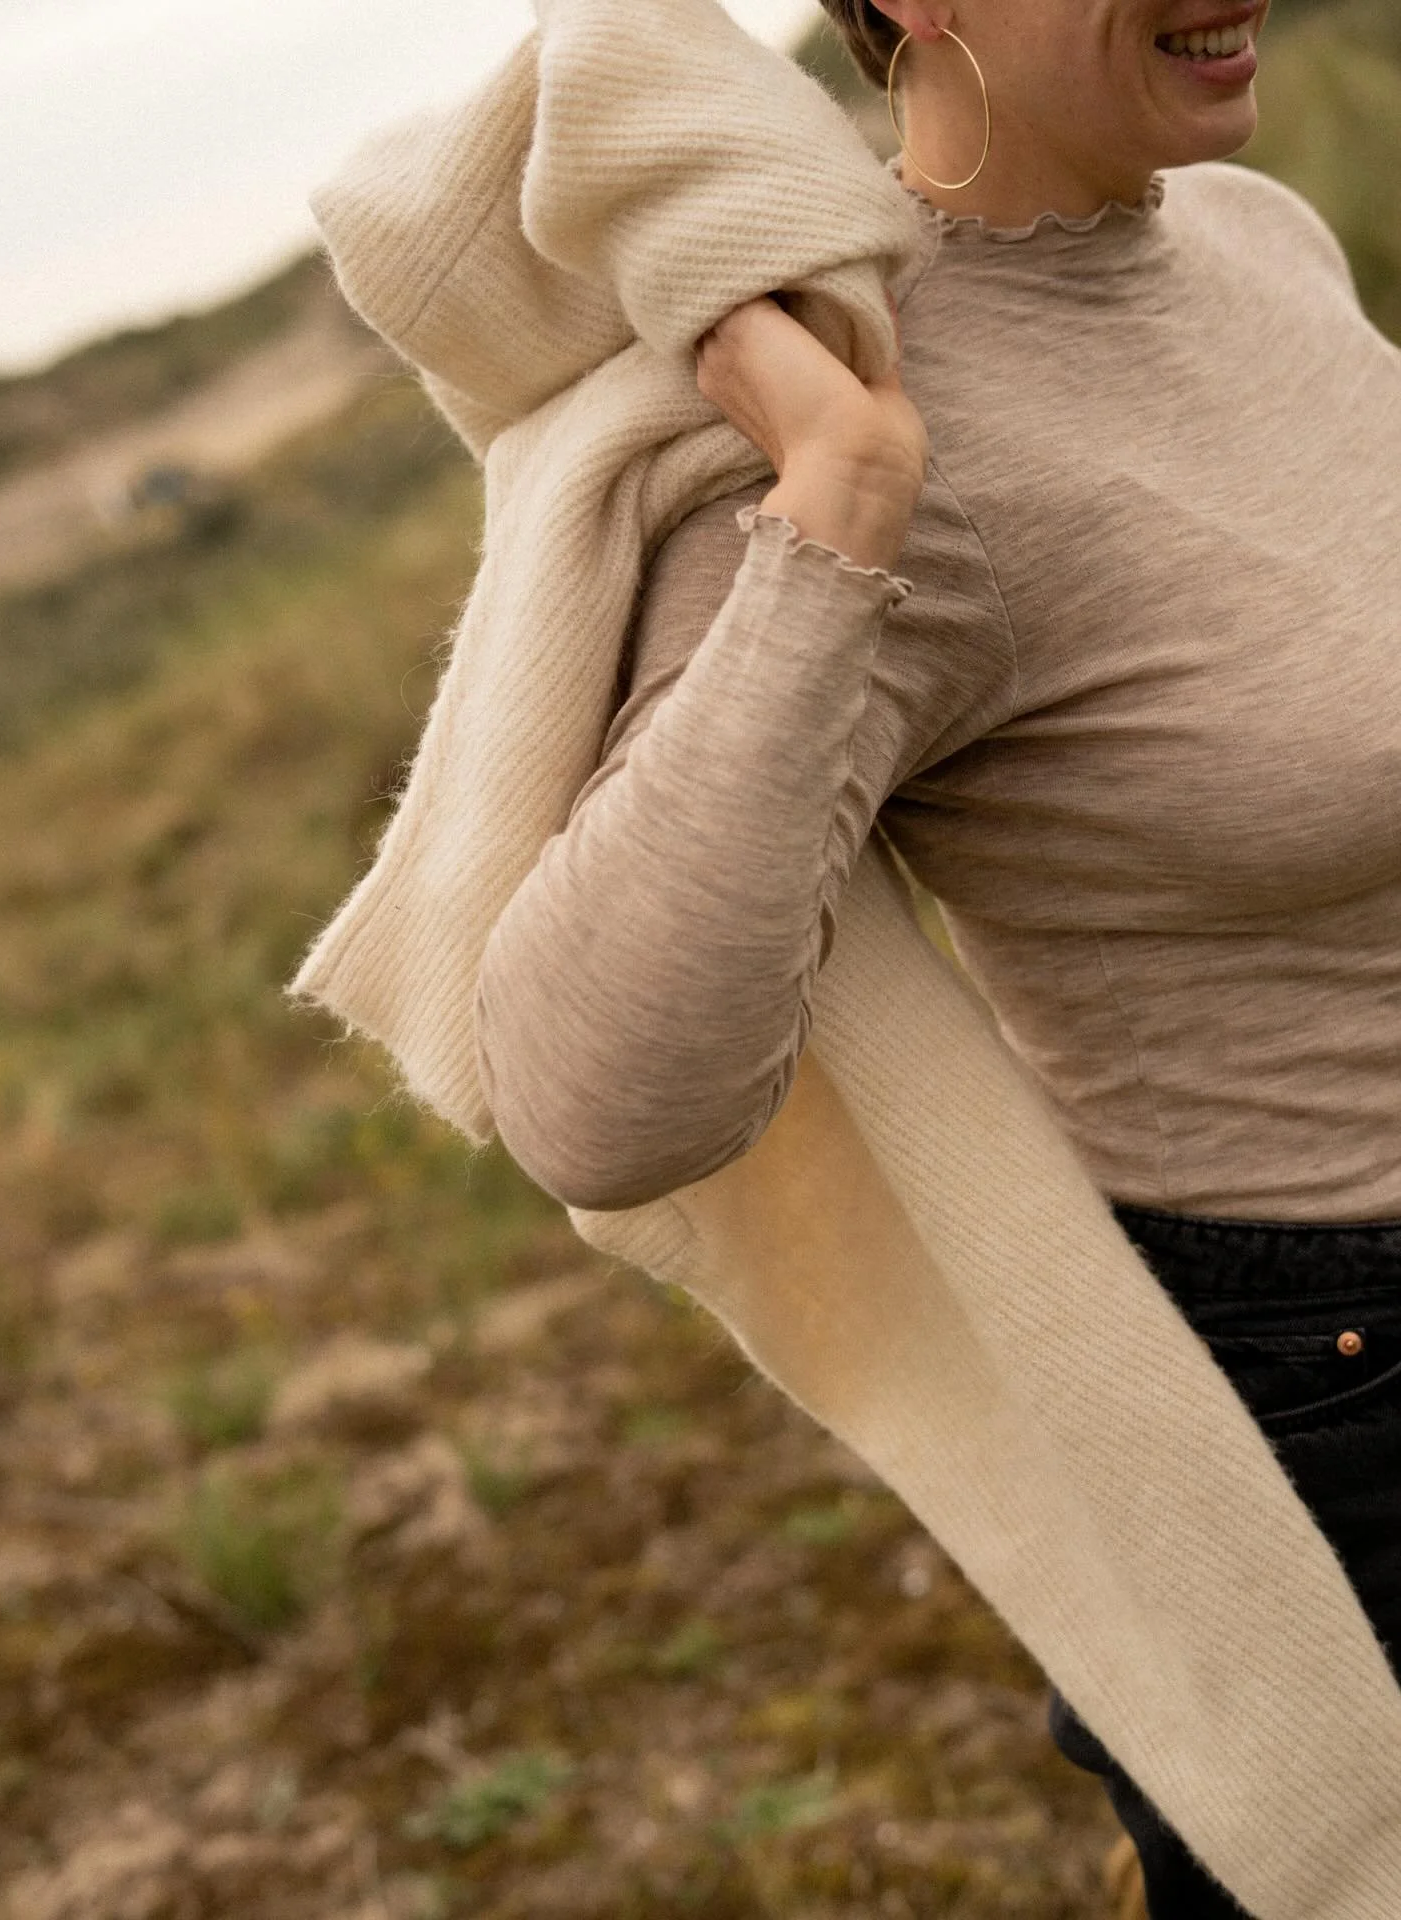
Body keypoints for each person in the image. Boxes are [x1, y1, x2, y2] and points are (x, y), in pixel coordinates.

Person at [470, 1, 1401, 1912]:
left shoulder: (1253, 232)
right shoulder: (864, 426)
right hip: (1344, 1374)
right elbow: (590, 1103)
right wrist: (840, 509)